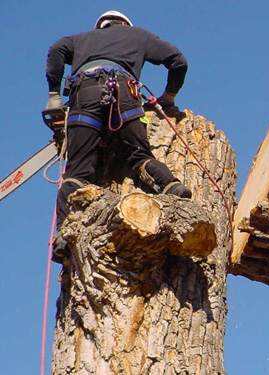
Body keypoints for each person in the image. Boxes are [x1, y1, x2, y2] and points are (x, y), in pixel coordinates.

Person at [45, 10, 192, 262]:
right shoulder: (139, 35)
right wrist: (168, 97)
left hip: (85, 94)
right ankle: (170, 185)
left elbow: (56, 50)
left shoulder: (79, 39)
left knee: (76, 173)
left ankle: (64, 234)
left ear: (100, 26)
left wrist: (54, 95)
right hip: (125, 92)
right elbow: (179, 61)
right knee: (139, 155)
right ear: (125, 24)